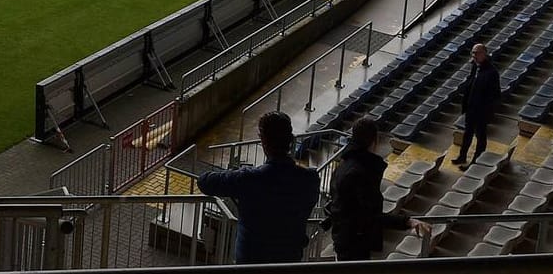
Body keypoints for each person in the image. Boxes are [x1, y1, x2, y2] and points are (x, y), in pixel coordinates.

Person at [197, 111, 320, 264]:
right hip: (289, 259)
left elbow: (204, 181)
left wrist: (238, 173)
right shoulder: (310, 179)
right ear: (290, 140)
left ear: (264, 141)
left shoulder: (249, 178)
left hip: (251, 261)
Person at [325, 117, 430, 260]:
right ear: (375, 141)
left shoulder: (343, 167)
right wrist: (407, 221)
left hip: (345, 236)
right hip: (355, 240)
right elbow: (370, 215)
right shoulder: (362, 174)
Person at [453, 42, 500, 166]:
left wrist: (487, 111)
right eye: (473, 52)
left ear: (484, 54)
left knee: (480, 137)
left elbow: (495, 95)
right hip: (470, 108)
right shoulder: (475, 66)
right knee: (467, 134)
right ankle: (462, 156)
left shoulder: (492, 72)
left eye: (477, 53)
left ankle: (475, 162)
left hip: (481, 112)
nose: (474, 55)